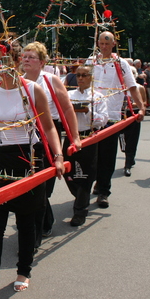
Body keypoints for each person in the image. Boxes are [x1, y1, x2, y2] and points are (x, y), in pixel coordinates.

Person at [0, 38, 65, 299]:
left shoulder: (33, 89)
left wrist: (57, 155)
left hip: (28, 157)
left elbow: (49, 126)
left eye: (4, 61)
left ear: (16, 62)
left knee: (26, 219)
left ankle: (24, 271)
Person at [21, 41, 81, 240]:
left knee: (44, 184)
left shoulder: (51, 80)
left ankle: (40, 225)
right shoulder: (18, 81)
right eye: (24, 56)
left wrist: (75, 137)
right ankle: (38, 227)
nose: (26, 59)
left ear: (42, 62)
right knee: (31, 183)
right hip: (26, 134)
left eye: (31, 57)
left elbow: (67, 108)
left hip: (48, 131)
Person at [90, 32, 145, 208]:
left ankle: (104, 191)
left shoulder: (121, 64)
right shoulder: (91, 61)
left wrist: (141, 107)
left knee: (107, 155)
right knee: (93, 155)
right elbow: (81, 84)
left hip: (111, 117)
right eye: (101, 43)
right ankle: (97, 182)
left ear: (114, 44)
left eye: (107, 43)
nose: (104, 47)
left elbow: (132, 87)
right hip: (91, 116)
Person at [64, 64, 108, 226]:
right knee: (67, 171)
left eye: (84, 75)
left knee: (85, 174)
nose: (81, 78)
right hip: (69, 137)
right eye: (78, 75)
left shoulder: (98, 96)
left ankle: (80, 210)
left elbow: (102, 120)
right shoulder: (68, 95)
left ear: (91, 78)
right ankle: (81, 195)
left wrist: (87, 111)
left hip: (88, 137)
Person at [121, 66, 148, 176]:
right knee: (123, 140)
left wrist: (134, 104)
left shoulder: (139, 87)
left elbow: (145, 102)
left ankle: (128, 164)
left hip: (134, 114)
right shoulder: (119, 87)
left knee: (132, 140)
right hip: (121, 115)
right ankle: (130, 158)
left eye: (131, 73)